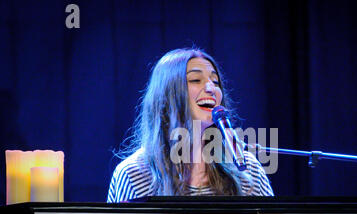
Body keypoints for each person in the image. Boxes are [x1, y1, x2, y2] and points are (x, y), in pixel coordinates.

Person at [107, 48, 274, 202]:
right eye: (196, 79)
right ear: (167, 95)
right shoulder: (133, 173)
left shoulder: (247, 170)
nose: (211, 88)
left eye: (215, 82)